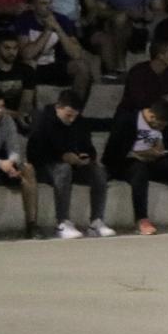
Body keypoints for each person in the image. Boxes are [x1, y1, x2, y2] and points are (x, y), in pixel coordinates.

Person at [27, 91, 114, 238]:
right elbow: (34, 153)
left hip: (74, 165)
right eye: (68, 115)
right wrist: (61, 156)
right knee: (63, 169)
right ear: (58, 107)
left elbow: (90, 148)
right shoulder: (42, 120)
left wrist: (86, 157)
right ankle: (62, 222)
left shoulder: (79, 122)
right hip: (47, 166)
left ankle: (96, 221)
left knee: (98, 171)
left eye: (75, 115)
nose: (72, 119)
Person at [123, 99, 168, 234]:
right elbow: (116, 150)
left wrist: (157, 152)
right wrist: (137, 154)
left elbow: (161, 147)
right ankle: (141, 219)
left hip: (152, 160)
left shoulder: (161, 125)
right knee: (139, 170)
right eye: (159, 125)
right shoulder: (129, 120)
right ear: (152, 116)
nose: (161, 129)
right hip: (130, 161)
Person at [0, 90, 40, 237]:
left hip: (2, 164)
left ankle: (32, 225)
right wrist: (1, 164)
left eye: (2, 106)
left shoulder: (7, 120)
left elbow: (14, 149)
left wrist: (11, 162)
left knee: (28, 169)